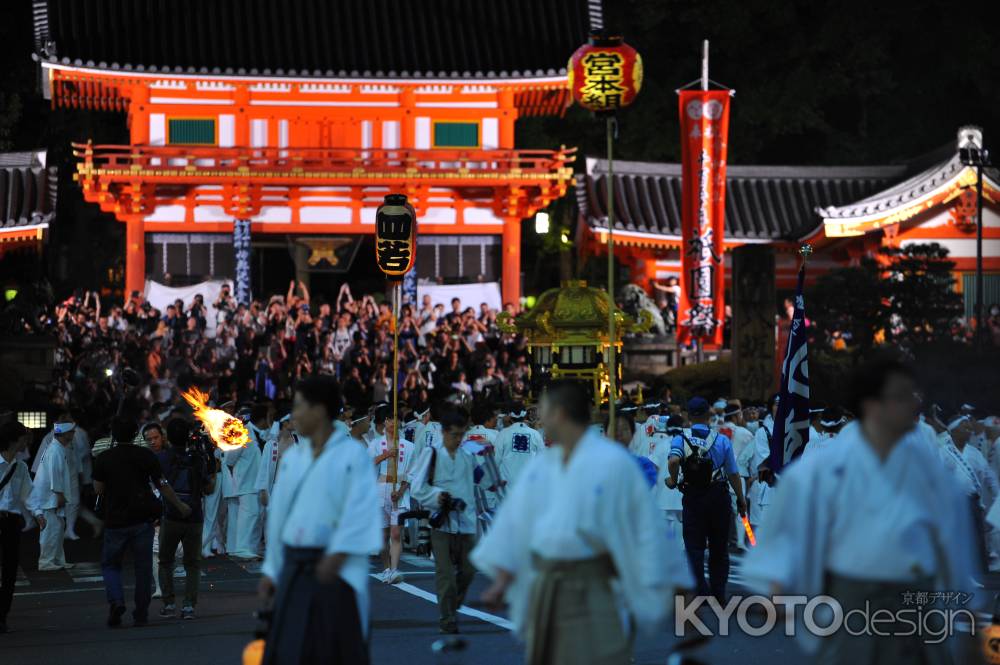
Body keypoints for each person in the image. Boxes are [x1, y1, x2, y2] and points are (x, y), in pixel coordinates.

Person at [742, 357, 981, 663]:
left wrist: (969, 616)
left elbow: (953, 543)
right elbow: (788, 530)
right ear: (872, 405)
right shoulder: (821, 469)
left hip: (920, 602)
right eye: (901, 397)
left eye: (913, 395)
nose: (912, 405)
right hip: (853, 601)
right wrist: (777, 583)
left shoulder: (929, 469)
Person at [473, 381, 688, 665]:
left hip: (599, 579)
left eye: (545, 413)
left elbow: (645, 524)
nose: (540, 420)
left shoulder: (615, 464)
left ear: (560, 414)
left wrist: (675, 581)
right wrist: (501, 581)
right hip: (550, 580)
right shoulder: (543, 465)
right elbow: (516, 521)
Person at [258, 375, 381, 665]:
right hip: (294, 565)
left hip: (335, 569)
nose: (293, 415)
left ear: (320, 410)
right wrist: (272, 569)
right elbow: (279, 519)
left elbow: (360, 511)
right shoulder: (293, 457)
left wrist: (336, 556)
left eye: (299, 407)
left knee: (333, 650)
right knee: (290, 650)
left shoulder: (352, 454)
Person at [93, 415, 191, 628]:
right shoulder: (146, 456)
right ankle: (141, 612)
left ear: (114, 435)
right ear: (135, 434)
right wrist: (179, 505)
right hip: (142, 518)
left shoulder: (104, 458)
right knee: (143, 567)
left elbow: (98, 489)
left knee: (111, 565)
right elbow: (162, 484)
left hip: (115, 520)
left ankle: (117, 600)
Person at [666, 396, 747, 601]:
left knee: (694, 547)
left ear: (688, 415)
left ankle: (700, 590)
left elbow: (674, 460)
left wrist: (673, 480)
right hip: (718, 496)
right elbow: (733, 473)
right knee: (719, 546)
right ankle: (718, 592)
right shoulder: (722, 440)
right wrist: (740, 498)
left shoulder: (680, 438)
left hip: (693, 497)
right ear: (708, 415)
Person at [410, 406, 481, 634]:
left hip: (467, 522)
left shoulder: (469, 455)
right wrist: (436, 496)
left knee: (469, 571)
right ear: (443, 432)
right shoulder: (431, 454)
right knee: (446, 575)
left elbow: (482, 481)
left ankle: (454, 602)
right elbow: (417, 488)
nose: (458, 439)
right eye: (454, 435)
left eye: (462, 434)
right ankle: (447, 619)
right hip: (441, 522)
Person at [157, 418, 215, 620]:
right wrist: (212, 466)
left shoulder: (161, 458)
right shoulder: (198, 458)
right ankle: (189, 606)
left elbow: (158, 485)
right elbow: (209, 489)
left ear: (168, 437)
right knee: (192, 564)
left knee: (165, 561)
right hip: (195, 516)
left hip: (171, 516)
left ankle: (169, 604)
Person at [367, 405, 414, 585]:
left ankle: (394, 570)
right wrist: (386, 455)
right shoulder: (375, 444)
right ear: (383, 423)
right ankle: (386, 568)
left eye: (395, 419)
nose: (392, 422)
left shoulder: (409, 446)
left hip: (399, 492)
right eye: (388, 419)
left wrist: (401, 491)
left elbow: (411, 472)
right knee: (382, 535)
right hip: (380, 489)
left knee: (395, 533)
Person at [27, 421, 74, 571]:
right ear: (65, 434)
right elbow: (55, 475)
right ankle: (46, 561)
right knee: (51, 529)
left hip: (50, 496)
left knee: (58, 528)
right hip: (50, 497)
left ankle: (58, 559)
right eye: (72, 432)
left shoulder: (57, 448)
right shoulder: (55, 450)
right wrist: (59, 494)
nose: (74, 434)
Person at [1, 422, 32, 634]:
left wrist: (38, 514)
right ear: (14, 439)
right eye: (23, 438)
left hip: (11, 521)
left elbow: (29, 494)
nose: (26, 442)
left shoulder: (20, 466)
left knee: (10, 569)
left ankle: (2, 615)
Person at [222, 418, 263, 560]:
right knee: (249, 515)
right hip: (246, 481)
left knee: (255, 515)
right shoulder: (240, 433)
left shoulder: (258, 433)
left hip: (255, 481)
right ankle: (242, 548)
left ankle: (249, 547)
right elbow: (229, 459)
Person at [494, 404, 544, 487]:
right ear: (525, 416)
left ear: (510, 416)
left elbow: (496, 459)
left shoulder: (503, 433)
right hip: (528, 483)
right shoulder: (535, 434)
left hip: (507, 484)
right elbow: (542, 459)